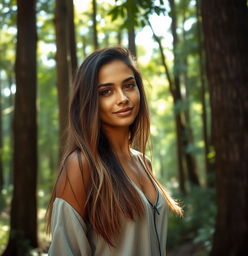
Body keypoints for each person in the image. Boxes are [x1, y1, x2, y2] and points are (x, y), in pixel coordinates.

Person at [47, 47, 183, 256]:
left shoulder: (144, 163)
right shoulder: (81, 165)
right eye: (106, 92)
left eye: (128, 86)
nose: (122, 98)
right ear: (90, 101)